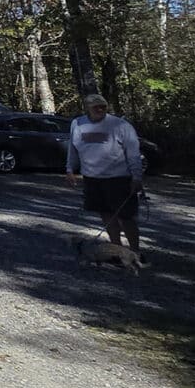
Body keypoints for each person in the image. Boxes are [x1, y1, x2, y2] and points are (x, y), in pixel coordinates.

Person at [66, 93, 146, 270]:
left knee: (127, 217)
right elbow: (73, 148)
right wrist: (70, 169)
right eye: (96, 107)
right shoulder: (77, 124)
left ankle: (135, 251)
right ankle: (116, 250)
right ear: (87, 108)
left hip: (118, 179)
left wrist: (137, 177)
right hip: (92, 179)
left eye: (103, 106)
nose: (100, 109)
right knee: (106, 215)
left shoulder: (120, 125)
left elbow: (133, 153)